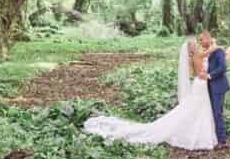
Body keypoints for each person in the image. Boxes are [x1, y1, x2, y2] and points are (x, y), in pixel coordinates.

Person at [82, 35, 220, 150]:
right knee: (195, 109)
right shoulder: (198, 57)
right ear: (192, 48)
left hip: (200, 85)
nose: (199, 44)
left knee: (195, 110)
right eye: (196, 43)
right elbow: (213, 50)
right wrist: (215, 45)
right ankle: (198, 136)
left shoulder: (197, 56)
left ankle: (197, 134)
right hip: (200, 85)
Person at [198, 29, 230, 147]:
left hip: (219, 86)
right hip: (208, 87)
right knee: (211, 112)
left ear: (208, 39)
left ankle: (222, 141)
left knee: (217, 112)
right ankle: (215, 138)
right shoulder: (206, 52)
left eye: (201, 39)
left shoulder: (219, 51)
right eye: (199, 40)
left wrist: (209, 75)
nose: (200, 42)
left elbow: (223, 68)